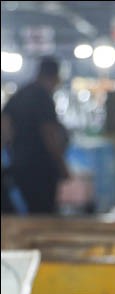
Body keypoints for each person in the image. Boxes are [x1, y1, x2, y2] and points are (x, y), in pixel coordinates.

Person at [1, 56, 69, 214]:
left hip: (20, 166)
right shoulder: (43, 97)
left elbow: (4, 128)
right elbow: (49, 134)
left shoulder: (20, 95)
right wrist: (62, 165)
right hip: (41, 169)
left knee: (32, 210)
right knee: (44, 213)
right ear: (55, 77)